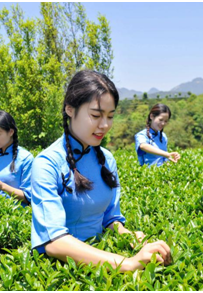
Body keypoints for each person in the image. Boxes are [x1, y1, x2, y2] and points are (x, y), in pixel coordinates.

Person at [30, 70, 171, 272]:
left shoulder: (106, 159)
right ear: (70, 109)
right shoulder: (46, 163)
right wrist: (128, 263)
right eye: (95, 115)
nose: (104, 125)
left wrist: (132, 237)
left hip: (102, 260)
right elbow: (53, 242)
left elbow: (110, 219)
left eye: (110, 116)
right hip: (62, 272)